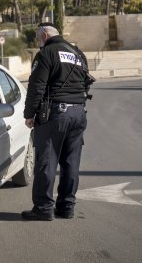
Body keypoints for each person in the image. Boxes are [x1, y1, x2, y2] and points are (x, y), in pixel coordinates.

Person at [21, 22, 92, 221]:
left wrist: (29, 114)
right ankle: (67, 207)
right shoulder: (77, 53)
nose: (38, 42)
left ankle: (44, 208)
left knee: (46, 162)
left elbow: (37, 87)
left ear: (44, 34)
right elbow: (86, 82)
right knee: (71, 163)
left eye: (38, 38)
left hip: (56, 115)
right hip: (79, 113)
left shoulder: (46, 54)